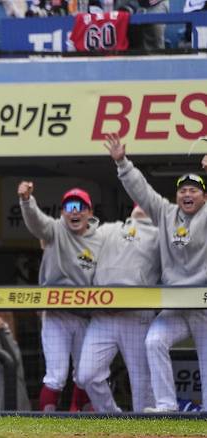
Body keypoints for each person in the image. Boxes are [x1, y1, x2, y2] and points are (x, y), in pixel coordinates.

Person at [104, 133, 207, 413]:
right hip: (175, 305)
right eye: (182, 190)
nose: (187, 194)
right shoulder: (166, 213)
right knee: (154, 341)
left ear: (204, 196)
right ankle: (166, 405)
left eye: (194, 190)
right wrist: (122, 163)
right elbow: (142, 191)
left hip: (203, 305)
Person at [17, 182, 103, 412]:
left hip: (86, 316)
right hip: (56, 315)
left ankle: (81, 420)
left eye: (80, 207)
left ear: (90, 212)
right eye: (69, 207)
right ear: (63, 212)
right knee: (56, 375)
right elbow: (36, 221)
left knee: (86, 374)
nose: (75, 212)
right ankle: (48, 424)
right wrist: (26, 201)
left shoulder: (101, 239)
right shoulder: (54, 230)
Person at [76, 205, 159, 412]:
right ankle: (111, 417)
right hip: (102, 316)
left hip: (136, 315)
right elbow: (83, 245)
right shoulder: (109, 229)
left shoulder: (160, 234)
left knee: (142, 382)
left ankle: (147, 428)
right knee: (86, 375)